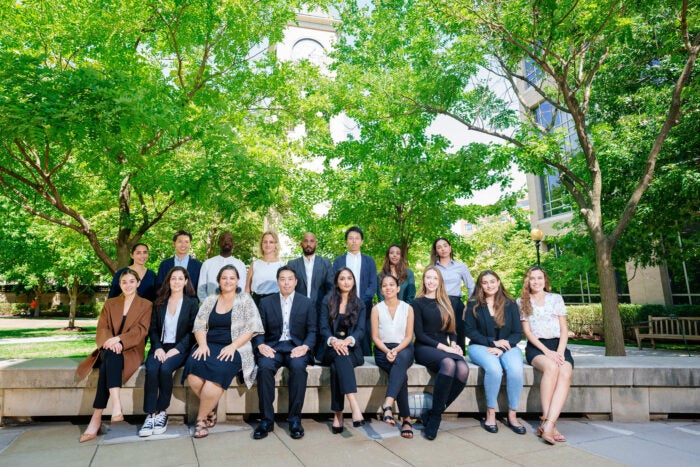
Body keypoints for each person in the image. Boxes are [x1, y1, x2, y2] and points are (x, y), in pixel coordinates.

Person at [183, 265, 263, 438]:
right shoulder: (211, 300)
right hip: (209, 344)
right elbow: (199, 325)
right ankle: (211, 410)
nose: (228, 281)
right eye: (224, 278)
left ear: (237, 280)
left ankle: (200, 420)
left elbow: (251, 328)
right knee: (192, 374)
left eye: (232, 278)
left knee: (214, 377)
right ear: (219, 281)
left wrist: (233, 346)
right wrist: (203, 345)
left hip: (235, 347)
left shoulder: (245, 300)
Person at [78, 268, 152, 442]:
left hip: (131, 349)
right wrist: (111, 342)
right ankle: (117, 406)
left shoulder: (146, 305)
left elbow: (141, 330)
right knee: (111, 356)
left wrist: (119, 340)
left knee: (108, 364)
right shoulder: (110, 303)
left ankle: (96, 418)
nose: (128, 285)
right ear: (119, 284)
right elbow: (102, 328)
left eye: (132, 281)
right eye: (124, 282)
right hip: (109, 346)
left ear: (138, 283)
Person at [252, 266, 317, 440]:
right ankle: (266, 420)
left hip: (296, 347)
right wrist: (260, 345)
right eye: (282, 279)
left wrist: (305, 347)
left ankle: (295, 419)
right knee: (264, 368)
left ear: (296, 282)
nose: (286, 282)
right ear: (278, 281)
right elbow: (258, 330)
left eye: (290, 279)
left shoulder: (306, 302)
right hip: (273, 346)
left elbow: (312, 330)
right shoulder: (266, 302)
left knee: (298, 368)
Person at [139, 266, 199, 437]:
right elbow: (153, 329)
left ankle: (162, 412)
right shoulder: (159, 302)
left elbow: (192, 332)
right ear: (168, 281)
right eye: (173, 278)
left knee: (165, 369)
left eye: (181, 278)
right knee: (152, 369)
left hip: (180, 348)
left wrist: (177, 349)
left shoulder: (192, 303)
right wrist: (157, 347)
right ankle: (150, 415)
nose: (177, 282)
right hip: (160, 346)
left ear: (186, 281)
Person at [465, 270, 525, 435]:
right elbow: (469, 331)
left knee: (515, 370)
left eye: (492, 281)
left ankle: (512, 414)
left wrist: (501, 347)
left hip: (508, 346)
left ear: (498, 283)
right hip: (480, 346)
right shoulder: (473, 303)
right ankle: (490, 412)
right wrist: (492, 343)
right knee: (494, 369)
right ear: (481, 286)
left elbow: (517, 332)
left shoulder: (510, 303)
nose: (489, 285)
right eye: (485, 282)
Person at [518, 266, 574, 445]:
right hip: (537, 347)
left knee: (565, 371)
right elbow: (528, 332)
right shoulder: (522, 301)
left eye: (539, 278)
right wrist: (547, 352)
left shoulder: (556, 299)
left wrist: (559, 351)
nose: (536, 282)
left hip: (558, 345)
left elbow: (564, 328)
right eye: (532, 278)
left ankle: (548, 424)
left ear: (545, 280)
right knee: (551, 367)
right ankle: (549, 424)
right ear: (527, 281)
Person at [412, 266, 468, 440]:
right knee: (449, 364)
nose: (431, 281)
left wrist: (454, 344)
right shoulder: (417, 303)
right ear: (423, 280)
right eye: (428, 277)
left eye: (435, 278)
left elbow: (452, 330)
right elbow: (420, 335)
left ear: (440, 282)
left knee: (463, 370)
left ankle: (432, 413)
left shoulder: (446, 302)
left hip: (445, 347)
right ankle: (435, 418)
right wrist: (446, 348)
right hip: (424, 347)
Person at [318, 268, 366, 433]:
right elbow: (323, 328)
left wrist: (347, 341)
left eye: (349, 278)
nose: (346, 281)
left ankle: (338, 414)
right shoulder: (327, 301)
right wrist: (334, 341)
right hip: (330, 348)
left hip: (352, 349)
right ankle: (354, 405)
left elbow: (360, 330)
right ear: (337, 282)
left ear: (353, 281)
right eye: (342, 278)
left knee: (338, 364)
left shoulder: (360, 304)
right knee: (339, 356)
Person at [371, 274, 415, 439]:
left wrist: (396, 350)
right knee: (400, 374)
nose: (388, 288)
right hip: (382, 350)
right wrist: (387, 351)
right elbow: (375, 337)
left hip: (403, 348)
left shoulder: (407, 308)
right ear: (381, 290)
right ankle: (406, 419)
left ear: (398, 288)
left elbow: (409, 336)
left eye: (391, 285)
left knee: (401, 360)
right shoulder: (376, 309)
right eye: (384, 285)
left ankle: (388, 404)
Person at [332, 226, 377, 356]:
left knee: (364, 337)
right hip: (342, 306)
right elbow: (334, 284)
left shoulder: (369, 261)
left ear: (362, 241)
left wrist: (359, 302)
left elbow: (372, 285)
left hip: (364, 306)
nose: (354, 241)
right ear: (346, 241)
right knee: (344, 338)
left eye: (357, 238)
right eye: (350, 238)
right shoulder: (338, 261)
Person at [431, 237, 474, 355]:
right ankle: (441, 361)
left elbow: (471, 286)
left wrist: (469, 305)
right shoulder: (433, 268)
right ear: (436, 251)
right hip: (438, 303)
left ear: (450, 248)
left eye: (445, 246)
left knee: (458, 334)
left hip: (456, 303)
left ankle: (460, 359)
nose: (443, 249)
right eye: (439, 247)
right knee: (440, 334)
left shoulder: (461, 266)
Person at [287, 232, 334, 317]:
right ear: (301, 244)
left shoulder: (325, 263)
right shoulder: (292, 264)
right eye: (305, 241)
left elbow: (331, 288)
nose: (308, 244)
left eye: (312, 241)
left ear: (316, 244)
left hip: (320, 310)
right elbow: (288, 288)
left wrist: (325, 305)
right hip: (297, 310)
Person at [197, 232, 247, 303]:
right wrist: (208, 306)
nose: (226, 242)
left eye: (229, 240)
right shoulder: (207, 264)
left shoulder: (240, 265)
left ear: (233, 244)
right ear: (218, 243)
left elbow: (241, 289)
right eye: (223, 239)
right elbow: (201, 289)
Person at [245, 231, 284, 307]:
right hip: (256, 302)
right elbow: (247, 289)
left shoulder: (281, 265)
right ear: (261, 244)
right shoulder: (254, 264)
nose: (268, 244)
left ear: (276, 245)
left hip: (274, 302)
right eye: (265, 242)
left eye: (271, 242)